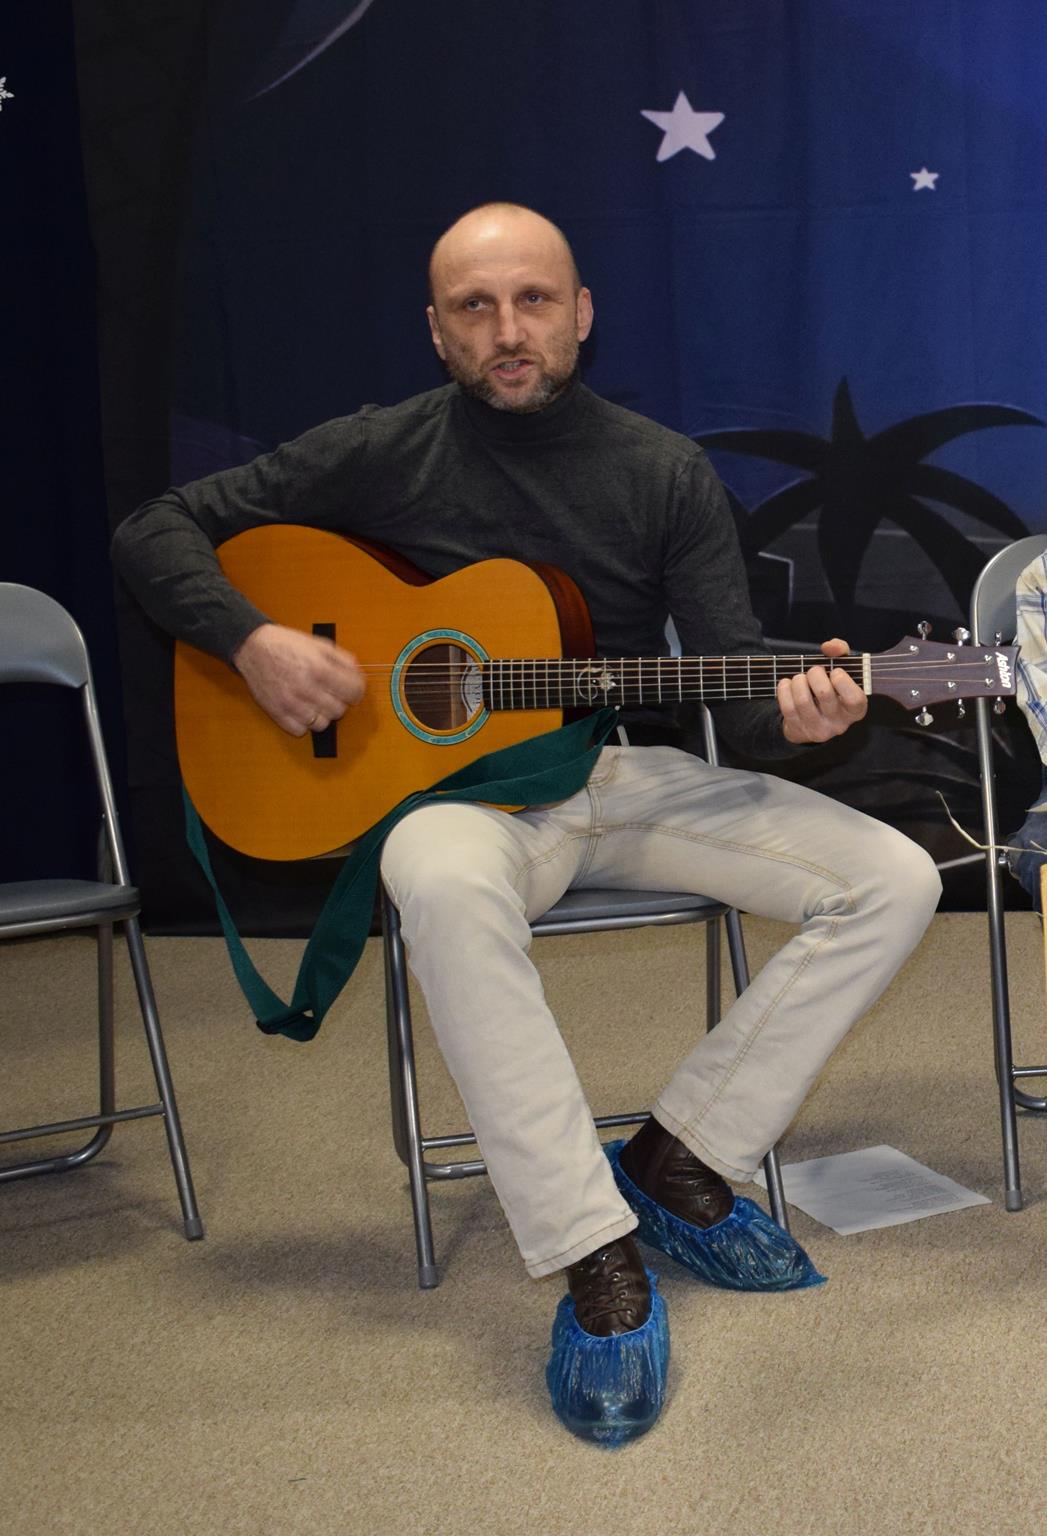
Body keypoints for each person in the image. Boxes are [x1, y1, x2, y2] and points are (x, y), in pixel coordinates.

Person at [112, 202, 942, 1445]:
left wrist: (810, 714)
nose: (509, 331)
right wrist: (254, 640)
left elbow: (734, 687)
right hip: (455, 801)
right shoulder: (381, 449)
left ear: (582, 315)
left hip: (611, 772)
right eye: (476, 307)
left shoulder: (661, 470)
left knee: (894, 877)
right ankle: (591, 1252)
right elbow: (152, 528)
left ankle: (680, 1156)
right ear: (437, 330)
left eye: (535, 301)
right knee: (442, 884)